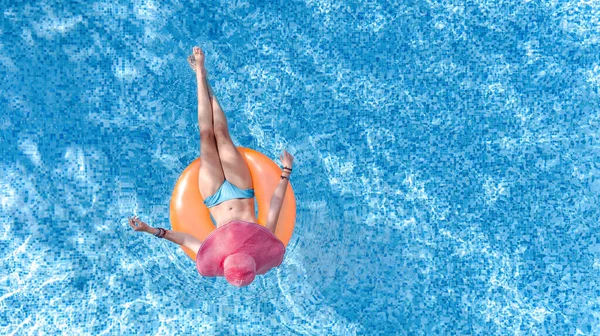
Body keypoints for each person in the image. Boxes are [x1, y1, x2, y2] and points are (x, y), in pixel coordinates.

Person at [128, 46, 294, 286]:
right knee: (222, 134)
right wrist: (286, 170)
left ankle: (199, 75)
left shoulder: (215, 254)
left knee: (206, 135)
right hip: (241, 188)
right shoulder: (262, 241)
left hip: (213, 195)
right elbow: (275, 204)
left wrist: (149, 229)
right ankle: (206, 80)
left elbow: (184, 238)